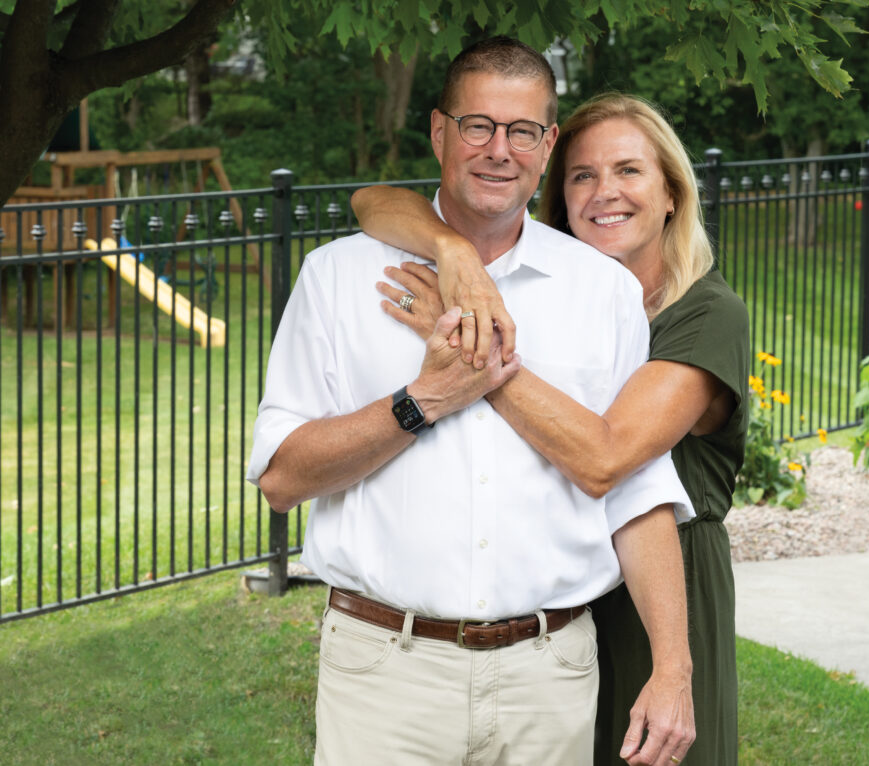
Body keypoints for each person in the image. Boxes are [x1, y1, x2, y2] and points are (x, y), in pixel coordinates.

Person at [247, 39, 697, 766]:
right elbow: (281, 480)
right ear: (438, 132)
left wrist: (673, 670)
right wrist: (420, 400)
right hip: (385, 675)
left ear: (547, 145)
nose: (499, 150)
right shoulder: (336, 277)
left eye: (523, 131)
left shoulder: (602, 291)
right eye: (477, 126)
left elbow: (637, 490)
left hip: (549, 676)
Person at [350, 92, 749, 765]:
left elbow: (607, 458)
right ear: (559, 197)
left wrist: (469, 345)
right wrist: (453, 253)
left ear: (672, 193)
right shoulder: (555, 297)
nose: (605, 193)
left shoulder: (706, 314)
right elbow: (370, 202)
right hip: (555, 607)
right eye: (582, 175)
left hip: (662, 596)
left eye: (628, 171)